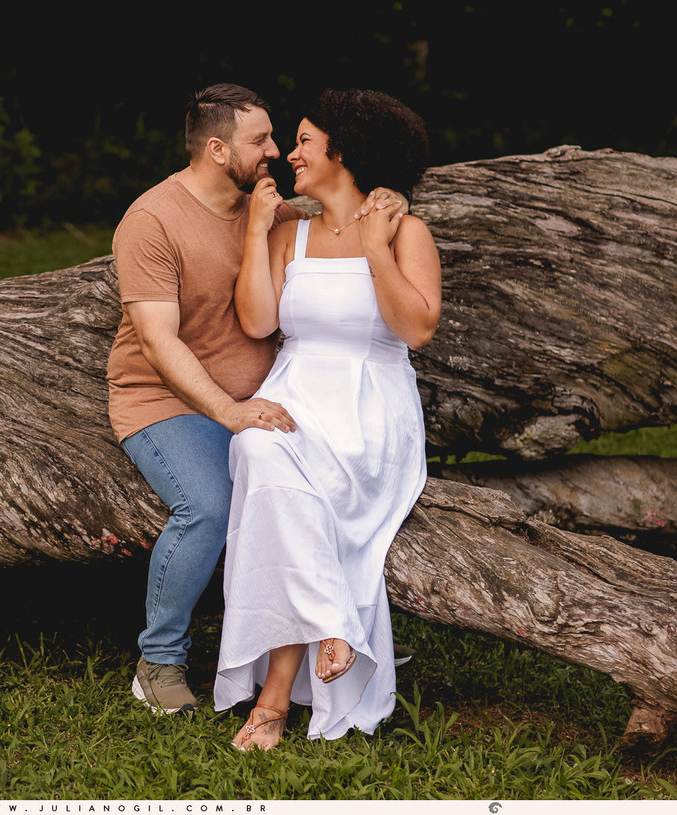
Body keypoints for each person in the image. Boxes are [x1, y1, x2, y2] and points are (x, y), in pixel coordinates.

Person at [106, 83, 408, 715]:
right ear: (217, 149)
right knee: (209, 505)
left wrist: (390, 197)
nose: (274, 151)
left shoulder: (271, 212)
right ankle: (158, 660)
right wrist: (229, 412)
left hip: (266, 402)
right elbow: (158, 343)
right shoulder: (152, 220)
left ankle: (335, 632)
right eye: (259, 140)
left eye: (278, 137)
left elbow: (340, 228)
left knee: (316, 483)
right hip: (167, 404)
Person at [214, 88, 440, 750]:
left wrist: (375, 248)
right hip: (295, 396)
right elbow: (258, 320)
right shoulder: (290, 232)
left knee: (289, 489)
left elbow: (415, 329)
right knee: (259, 451)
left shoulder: (406, 231)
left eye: (307, 140)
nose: (291, 153)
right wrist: (257, 231)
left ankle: (274, 699)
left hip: (370, 411)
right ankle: (334, 617)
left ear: (346, 150)